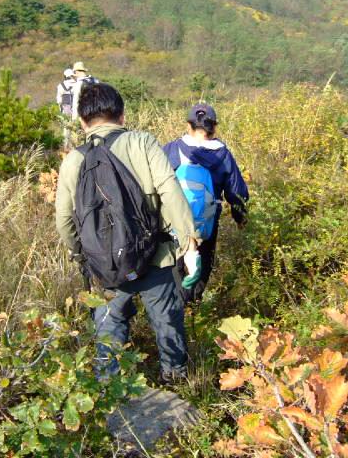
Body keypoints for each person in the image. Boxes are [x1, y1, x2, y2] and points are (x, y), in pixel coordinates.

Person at [55, 83, 201, 383]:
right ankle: (176, 381)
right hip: (154, 257)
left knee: (109, 330)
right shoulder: (142, 143)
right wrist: (190, 245)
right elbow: (170, 191)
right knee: (167, 322)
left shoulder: (73, 161)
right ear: (122, 115)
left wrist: (82, 257)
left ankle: (111, 390)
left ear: (82, 122)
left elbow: (64, 220)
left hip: (104, 267)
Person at [163, 104, 249, 304]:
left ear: (188, 125)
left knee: (176, 262)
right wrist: (240, 217)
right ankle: (194, 301)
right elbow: (236, 191)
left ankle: (179, 303)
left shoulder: (172, 150)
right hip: (207, 220)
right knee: (204, 260)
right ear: (214, 127)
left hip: (175, 220)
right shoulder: (223, 155)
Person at [56, 68, 77, 148]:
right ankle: (75, 146)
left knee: (66, 128)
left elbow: (59, 100)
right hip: (75, 107)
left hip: (65, 107)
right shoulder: (77, 84)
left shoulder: (60, 85)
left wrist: (61, 109)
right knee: (75, 126)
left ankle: (65, 146)